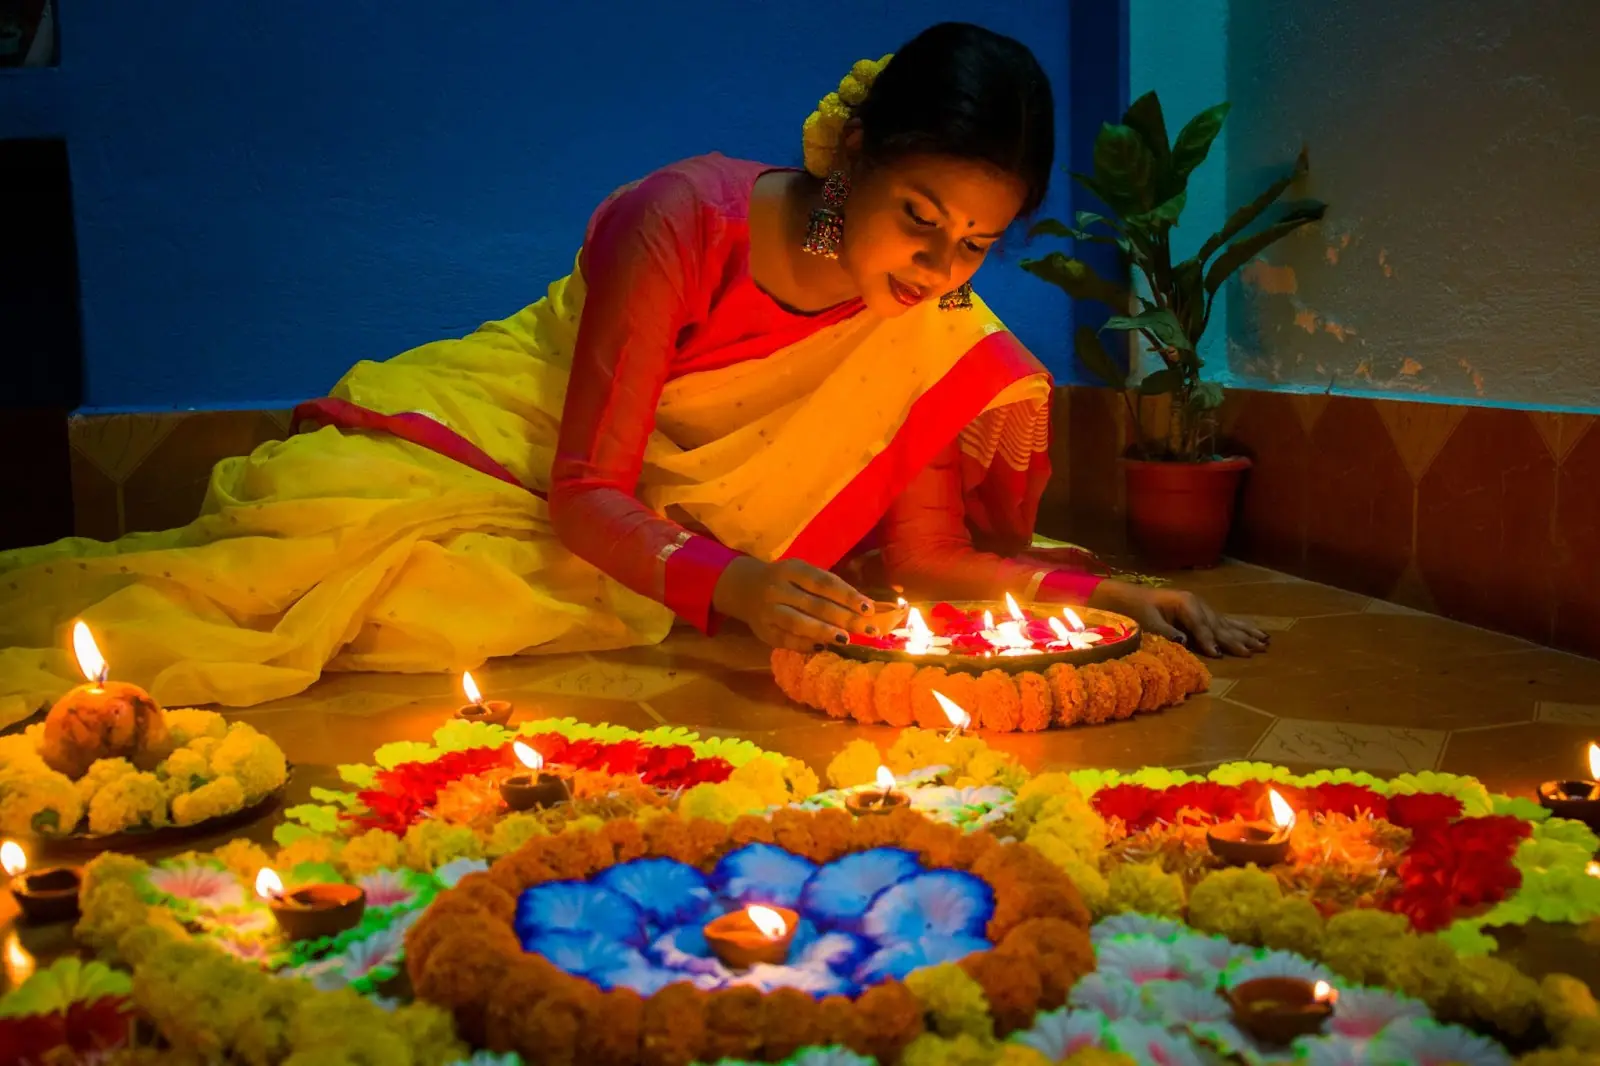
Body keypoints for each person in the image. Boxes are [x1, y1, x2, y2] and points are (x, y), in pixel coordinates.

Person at [0, 23, 1266, 729]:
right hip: (496, 444)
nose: (938, 270)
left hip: (627, 536)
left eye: (975, 245)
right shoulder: (682, 218)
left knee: (527, 604)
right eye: (917, 219)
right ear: (856, 157)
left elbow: (925, 556)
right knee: (320, 584)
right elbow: (589, 486)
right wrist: (741, 588)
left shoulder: (926, 327)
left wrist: (1112, 595)